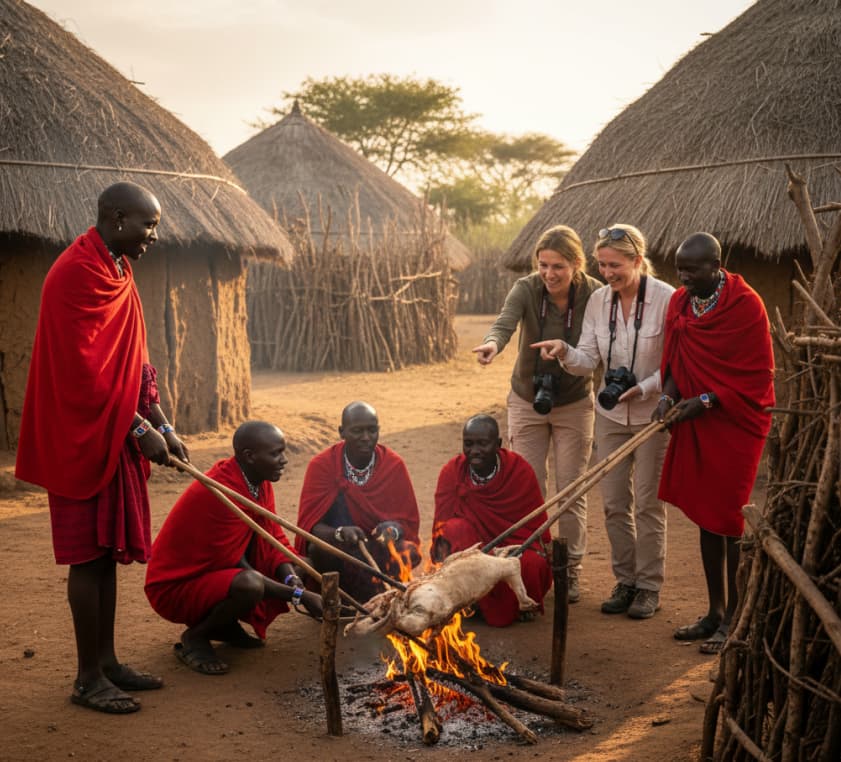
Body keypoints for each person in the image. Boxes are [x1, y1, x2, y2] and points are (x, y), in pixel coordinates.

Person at [15, 182, 188, 714]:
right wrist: (141, 432)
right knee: (86, 560)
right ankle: (87, 678)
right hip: (79, 437)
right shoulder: (73, 274)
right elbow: (83, 375)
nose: (154, 236)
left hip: (114, 432)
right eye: (148, 225)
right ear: (115, 219)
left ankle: (108, 663)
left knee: (105, 558)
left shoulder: (118, 270)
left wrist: (162, 419)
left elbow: (132, 358)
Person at [533, 225, 674, 620]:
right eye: (602, 264)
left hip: (650, 415)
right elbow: (588, 359)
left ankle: (648, 587)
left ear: (637, 260)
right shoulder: (599, 301)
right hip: (610, 414)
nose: (607, 272)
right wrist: (564, 350)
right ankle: (625, 580)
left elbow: (677, 364)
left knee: (648, 503)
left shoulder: (667, 299)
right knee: (614, 504)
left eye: (615, 265)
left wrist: (645, 387)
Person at [652, 232, 774, 654]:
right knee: (708, 517)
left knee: (729, 517)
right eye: (679, 269)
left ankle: (737, 620)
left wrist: (704, 400)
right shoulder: (681, 303)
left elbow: (756, 375)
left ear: (716, 265)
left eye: (692, 270)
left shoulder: (745, 304)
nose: (683, 277)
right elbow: (673, 358)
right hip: (694, 416)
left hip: (736, 419)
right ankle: (714, 612)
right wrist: (667, 395)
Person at [472, 225, 602, 601]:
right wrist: (493, 345)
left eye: (558, 266)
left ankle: (570, 568)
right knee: (530, 490)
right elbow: (505, 322)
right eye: (543, 265)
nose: (549, 274)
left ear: (577, 264)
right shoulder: (527, 288)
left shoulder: (594, 293)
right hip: (527, 400)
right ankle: (534, 563)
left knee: (571, 488)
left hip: (575, 401)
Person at [145, 421, 321, 675]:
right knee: (250, 585)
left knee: (302, 564)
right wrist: (299, 596)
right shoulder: (220, 492)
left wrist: (293, 579)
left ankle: (222, 623)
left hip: (215, 576)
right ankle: (195, 637)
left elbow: (271, 538)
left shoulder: (257, 481)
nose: (284, 460)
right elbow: (234, 563)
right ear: (249, 456)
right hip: (176, 587)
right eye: (275, 454)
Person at [431, 414, 552, 627]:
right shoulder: (452, 472)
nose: (474, 451)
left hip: (512, 548)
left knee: (531, 564)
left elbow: (535, 528)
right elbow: (441, 529)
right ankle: (467, 599)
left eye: (482, 444)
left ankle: (515, 604)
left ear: (498, 444)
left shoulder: (518, 470)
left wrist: (515, 551)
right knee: (454, 529)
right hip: (473, 552)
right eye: (468, 444)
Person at [296, 401, 421, 601]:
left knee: (408, 551)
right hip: (340, 552)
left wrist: (392, 529)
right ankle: (341, 598)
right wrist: (339, 533)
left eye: (372, 430)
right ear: (341, 432)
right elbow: (310, 529)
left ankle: (379, 595)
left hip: (378, 551)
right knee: (318, 550)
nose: (366, 438)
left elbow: (407, 523)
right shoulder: (322, 466)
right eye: (357, 431)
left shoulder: (393, 464)